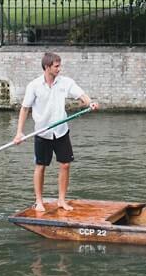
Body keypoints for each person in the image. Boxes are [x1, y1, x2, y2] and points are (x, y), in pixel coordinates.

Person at [13, 52, 99, 212]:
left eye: (59, 66)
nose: (59, 69)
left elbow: (81, 94)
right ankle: (39, 201)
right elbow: (25, 109)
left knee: (65, 165)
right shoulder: (34, 85)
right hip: (42, 133)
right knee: (40, 166)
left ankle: (61, 200)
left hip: (61, 131)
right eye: (56, 66)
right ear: (47, 67)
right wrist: (19, 132)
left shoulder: (65, 83)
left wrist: (90, 103)